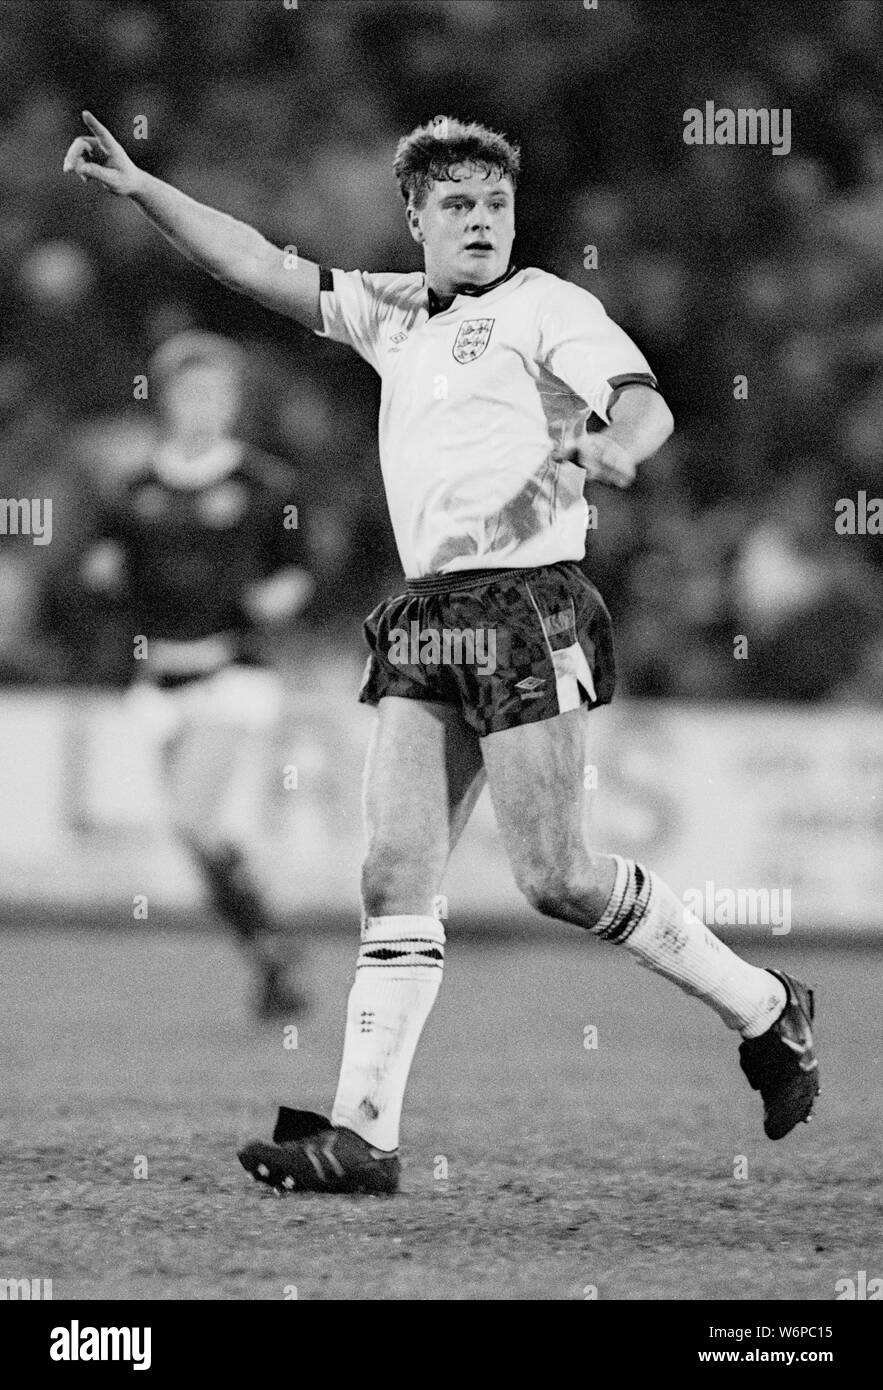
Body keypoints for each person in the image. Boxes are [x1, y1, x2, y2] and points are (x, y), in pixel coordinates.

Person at [64, 111, 819, 1195]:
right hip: (426, 612)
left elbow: (640, 398)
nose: (479, 220)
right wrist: (146, 190)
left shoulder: (547, 304)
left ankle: (762, 1004)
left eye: (495, 203)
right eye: (457, 204)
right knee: (393, 872)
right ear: (415, 216)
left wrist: (614, 445)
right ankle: (362, 1132)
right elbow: (257, 264)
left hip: (527, 604)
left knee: (555, 876)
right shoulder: (392, 310)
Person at [77, 328, 313, 1020]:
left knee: (189, 814)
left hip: (233, 672)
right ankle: (269, 950)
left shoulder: (265, 484)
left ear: (234, 401)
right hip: (160, 678)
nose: (203, 405)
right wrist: (102, 578)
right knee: (195, 833)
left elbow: (298, 570)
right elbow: (104, 568)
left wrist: (281, 596)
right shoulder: (134, 487)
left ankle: (271, 944)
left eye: (217, 392)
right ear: (166, 400)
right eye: (190, 392)